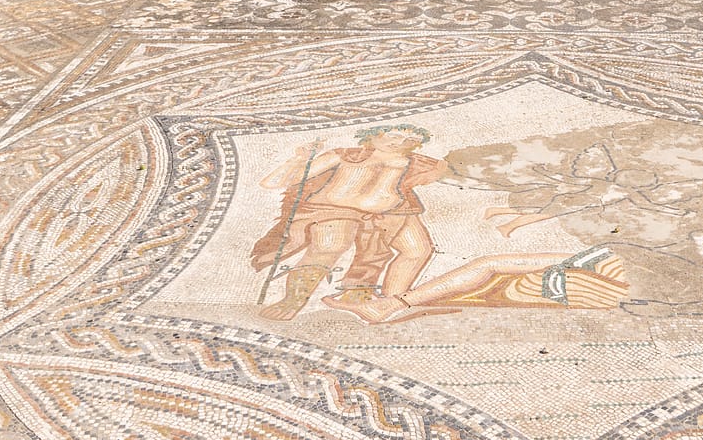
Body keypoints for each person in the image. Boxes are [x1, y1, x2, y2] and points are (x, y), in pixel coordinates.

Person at [251, 124, 445, 320]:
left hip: (392, 213)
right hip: (333, 209)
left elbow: (458, 173)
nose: (400, 143)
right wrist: (300, 159)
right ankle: (292, 300)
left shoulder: (419, 163)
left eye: (411, 141)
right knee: (331, 244)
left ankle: (387, 303)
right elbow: (274, 182)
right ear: (372, 135)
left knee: (418, 250)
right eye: (394, 135)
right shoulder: (347, 155)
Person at [323, 245, 629, 324]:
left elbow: (569, 259)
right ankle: (391, 302)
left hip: (546, 286)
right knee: (486, 273)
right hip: (579, 286)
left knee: (487, 265)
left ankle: (393, 304)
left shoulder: (623, 258)